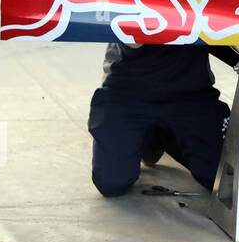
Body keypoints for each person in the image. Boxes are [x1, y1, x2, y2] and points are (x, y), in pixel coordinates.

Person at [88, 44, 230, 197]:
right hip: (127, 88)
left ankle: (160, 134)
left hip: (189, 87)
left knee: (223, 179)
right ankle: (148, 137)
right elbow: (132, 37)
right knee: (111, 182)